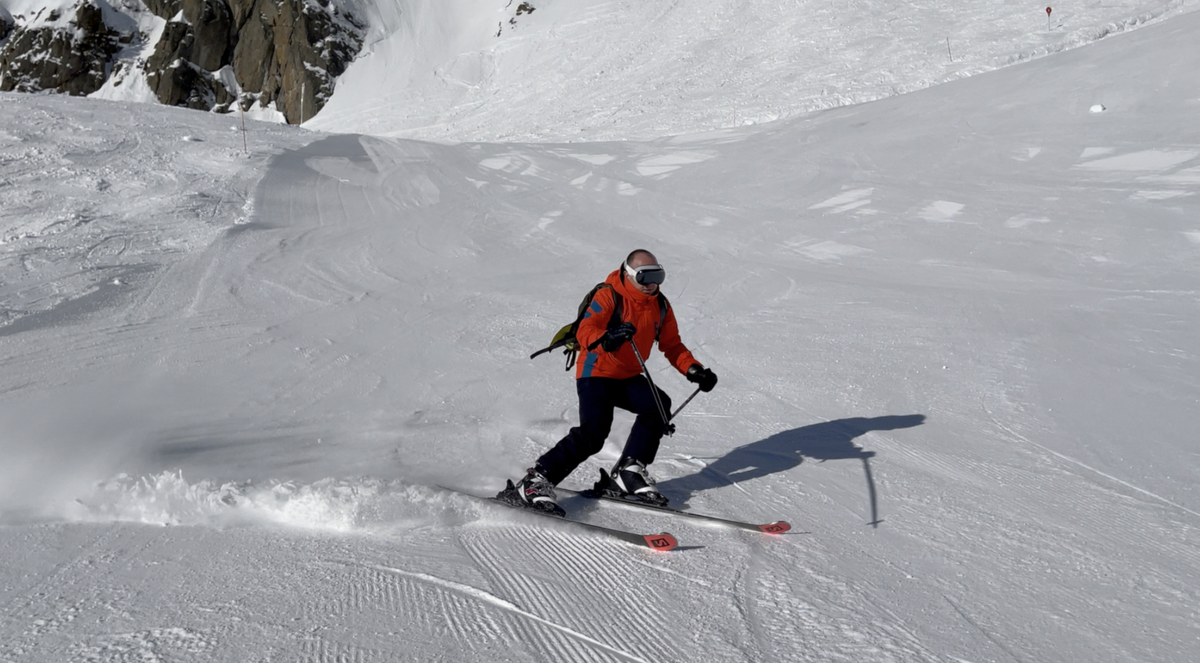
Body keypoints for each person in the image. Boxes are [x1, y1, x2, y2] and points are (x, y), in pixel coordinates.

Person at [502, 249, 718, 515]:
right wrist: (608, 337)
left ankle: (628, 472)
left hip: (627, 375)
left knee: (658, 405)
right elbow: (585, 329)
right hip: (597, 372)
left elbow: (672, 345)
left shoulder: (659, 305)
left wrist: (694, 370)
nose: (653, 284)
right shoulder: (609, 295)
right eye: (646, 276)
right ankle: (536, 481)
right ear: (628, 274)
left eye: (658, 275)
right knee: (594, 433)